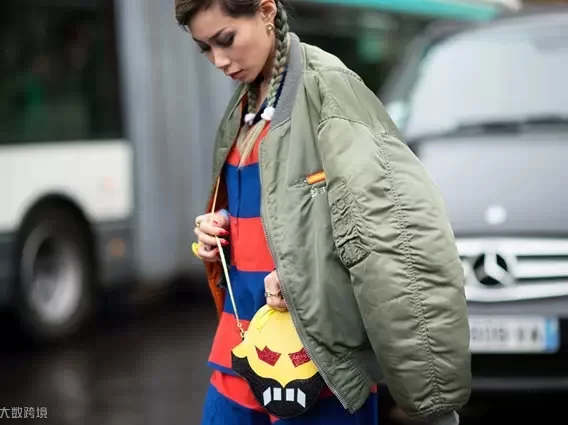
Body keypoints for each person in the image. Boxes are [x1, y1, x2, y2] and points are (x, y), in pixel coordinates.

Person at [175, 0, 471, 424]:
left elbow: (393, 228)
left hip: (318, 359)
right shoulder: (246, 100)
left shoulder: (328, 87)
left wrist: (431, 397)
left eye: (226, 39)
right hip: (241, 346)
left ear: (266, 11)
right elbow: (276, 206)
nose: (219, 60)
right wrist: (220, 227)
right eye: (205, 47)